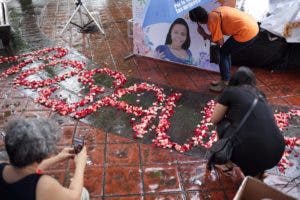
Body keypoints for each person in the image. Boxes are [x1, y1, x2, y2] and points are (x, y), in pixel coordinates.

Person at [210, 67, 285, 178]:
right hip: (277, 152)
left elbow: (214, 119)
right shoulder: (261, 95)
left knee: (222, 124)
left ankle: (225, 161)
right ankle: (258, 171)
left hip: (250, 155)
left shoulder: (230, 91)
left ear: (234, 80)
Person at [0, 118, 89, 200]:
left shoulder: (2, 165)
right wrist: (80, 165)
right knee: (83, 194)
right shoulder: (43, 185)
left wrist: (58, 158)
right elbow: (74, 196)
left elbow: (27, 170)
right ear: (44, 154)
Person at [189, 6, 259, 92]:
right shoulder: (216, 11)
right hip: (252, 26)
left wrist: (203, 34)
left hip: (246, 32)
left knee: (223, 54)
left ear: (198, 21)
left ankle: (225, 83)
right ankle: (227, 79)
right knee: (226, 52)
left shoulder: (211, 20)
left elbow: (220, 42)